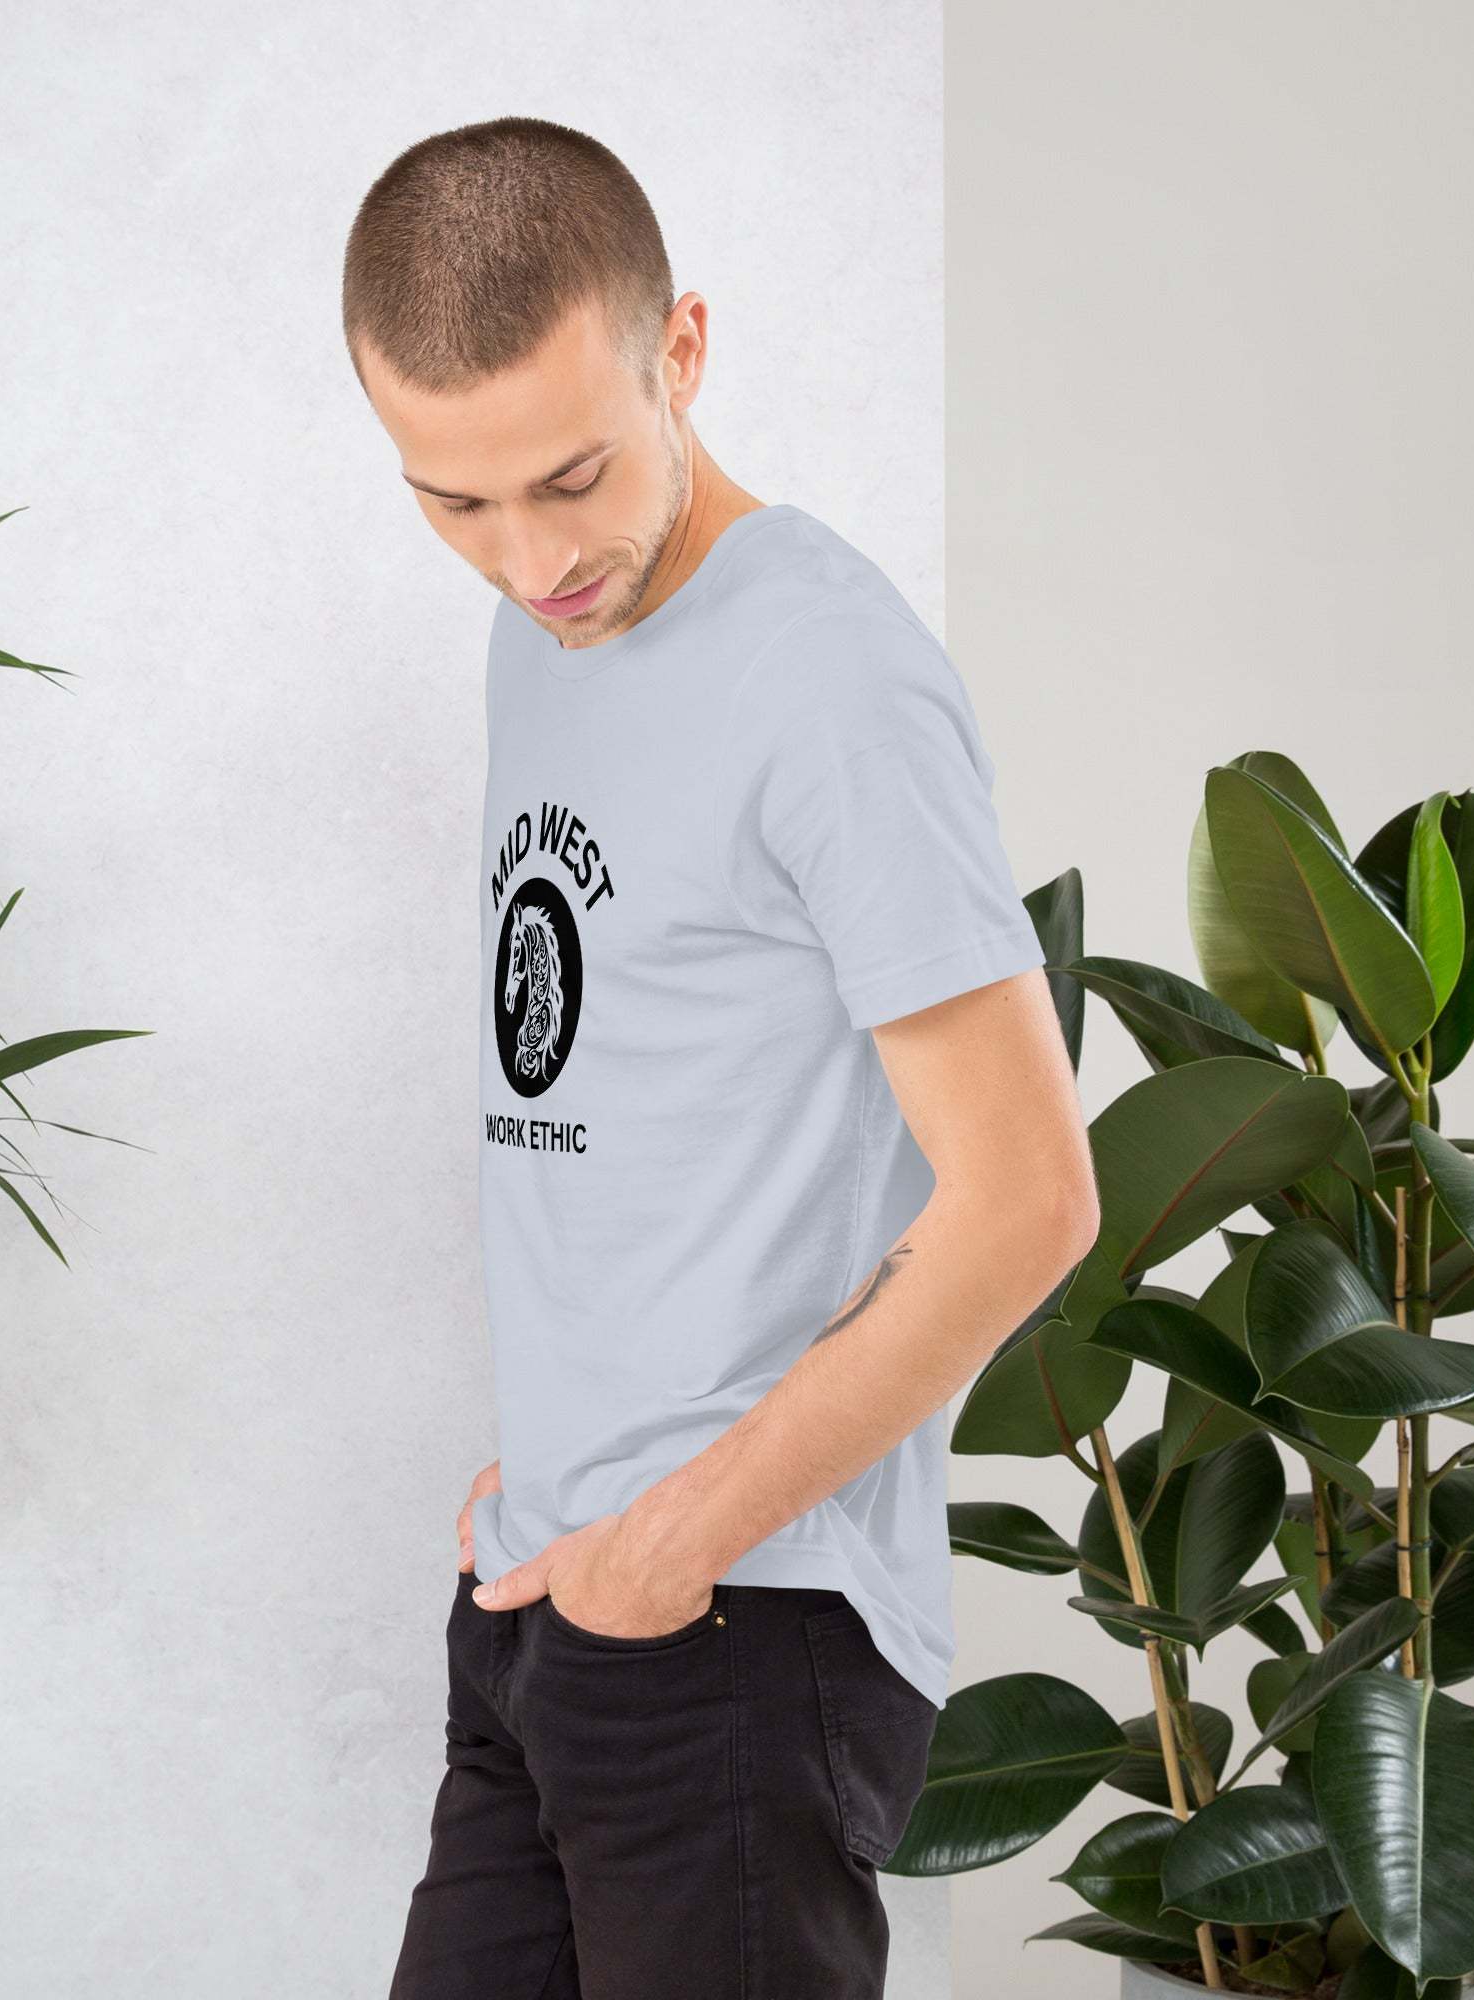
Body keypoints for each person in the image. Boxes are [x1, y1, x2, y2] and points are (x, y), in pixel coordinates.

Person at [343, 115, 1099, 1999]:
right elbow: (635, 1081)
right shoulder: (550, 638)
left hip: (745, 1625)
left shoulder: (833, 680)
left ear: (682, 347)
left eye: (572, 476)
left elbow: (1029, 1198)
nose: (530, 558)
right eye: (455, 502)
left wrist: (680, 1529)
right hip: (546, 1596)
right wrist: (567, 1487)